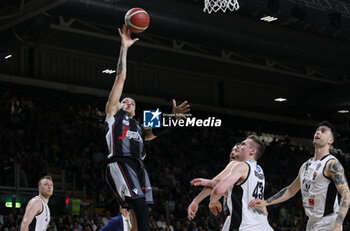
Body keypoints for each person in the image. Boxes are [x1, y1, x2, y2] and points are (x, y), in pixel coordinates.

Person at [104, 24, 190, 231]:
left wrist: (173, 118)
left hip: (138, 167)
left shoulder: (139, 126)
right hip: (120, 163)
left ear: (136, 110)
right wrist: (124, 47)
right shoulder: (113, 114)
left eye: (132, 102)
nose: (128, 102)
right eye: (125, 101)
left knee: (139, 212)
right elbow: (120, 77)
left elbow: (154, 133)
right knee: (140, 207)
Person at [249, 121, 350, 231]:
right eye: (317, 130)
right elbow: (291, 190)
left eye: (323, 131)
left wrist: (338, 223)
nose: (318, 132)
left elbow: (345, 192)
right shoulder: (306, 165)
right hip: (311, 223)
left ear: (331, 140)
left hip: (328, 223)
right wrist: (266, 202)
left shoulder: (332, 164)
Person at [209, 135, 273, 231]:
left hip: (245, 227)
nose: (239, 146)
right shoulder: (260, 170)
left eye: (243, 144)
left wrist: (212, 202)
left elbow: (219, 190)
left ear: (252, 151)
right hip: (263, 226)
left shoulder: (241, 166)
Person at [187, 143, 240, 225]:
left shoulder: (241, 166)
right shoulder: (235, 168)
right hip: (241, 217)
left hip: (246, 219)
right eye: (231, 151)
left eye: (236, 150)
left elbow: (220, 188)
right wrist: (196, 201)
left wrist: (212, 199)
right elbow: (216, 183)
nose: (232, 153)